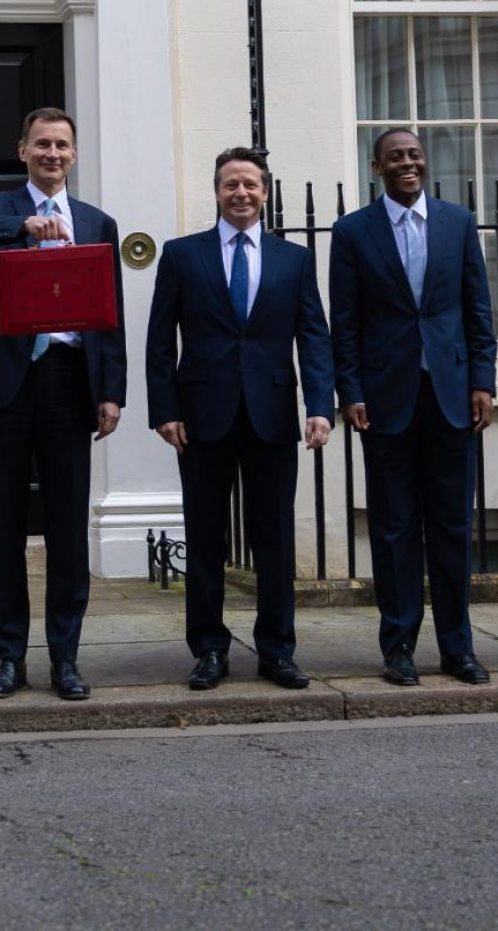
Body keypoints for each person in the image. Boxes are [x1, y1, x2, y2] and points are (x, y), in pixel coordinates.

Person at [0, 108, 126, 701]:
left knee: (68, 529)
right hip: (4, 384)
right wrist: (22, 229)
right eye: (42, 144)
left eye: (62, 146)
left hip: (70, 383)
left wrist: (111, 392)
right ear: (22, 150)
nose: (52, 154)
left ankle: (66, 658)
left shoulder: (98, 221)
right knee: (4, 527)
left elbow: (111, 314)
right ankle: (9, 656)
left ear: (74, 154)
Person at [146, 146, 334, 691]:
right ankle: (208, 648)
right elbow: (161, 340)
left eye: (250, 184)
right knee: (205, 536)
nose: (241, 193)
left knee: (273, 537)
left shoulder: (292, 259)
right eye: (231, 184)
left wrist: (319, 404)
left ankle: (277, 650)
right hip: (201, 415)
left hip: (272, 414)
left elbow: (313, 336)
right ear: (217, 192)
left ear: (265, 192)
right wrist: (165, 410)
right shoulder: (182, 255)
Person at [329, 128, 496, 686]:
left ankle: (458, 648)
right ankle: (398, 645)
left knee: (452, 525)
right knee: (394, 526)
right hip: (384, 400)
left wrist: (483, 382)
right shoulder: (353, 232)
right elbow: (345, 322)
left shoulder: (458, 222)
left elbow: (479, 311)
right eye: (396, 157)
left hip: (451, 396)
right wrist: (349, 391)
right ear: (376, 167)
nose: (408, 164)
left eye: (415, 156)